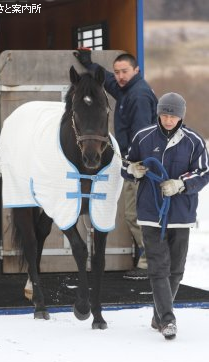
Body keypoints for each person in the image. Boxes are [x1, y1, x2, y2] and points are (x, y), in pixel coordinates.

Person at [125, 92, 209, 339]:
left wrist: (180, 184)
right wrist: (132, 170)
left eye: (173, 115)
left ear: (181, 115)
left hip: (181, 213)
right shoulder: (143, 136)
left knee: (177, 268)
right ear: (158, 113)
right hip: (151, 212)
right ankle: (168, 321)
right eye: (164, 114)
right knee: (158, 267)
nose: (168, 119)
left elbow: (204, 172)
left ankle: (159, 314)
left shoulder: (194, 141)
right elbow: (126, 165)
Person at [74, 48, 158, 279]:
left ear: (136, 70)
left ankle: (152, 264)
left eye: (125, 71)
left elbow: (141, 135)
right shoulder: (127, 89)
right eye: (117, 71)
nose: (120, 76)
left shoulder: (138, 96)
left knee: (136, 214)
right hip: (136, 162)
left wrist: (132, 163)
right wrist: (90, 65)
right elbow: (109, 82)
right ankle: (153, 261)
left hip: (141, 165)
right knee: (137, 214)